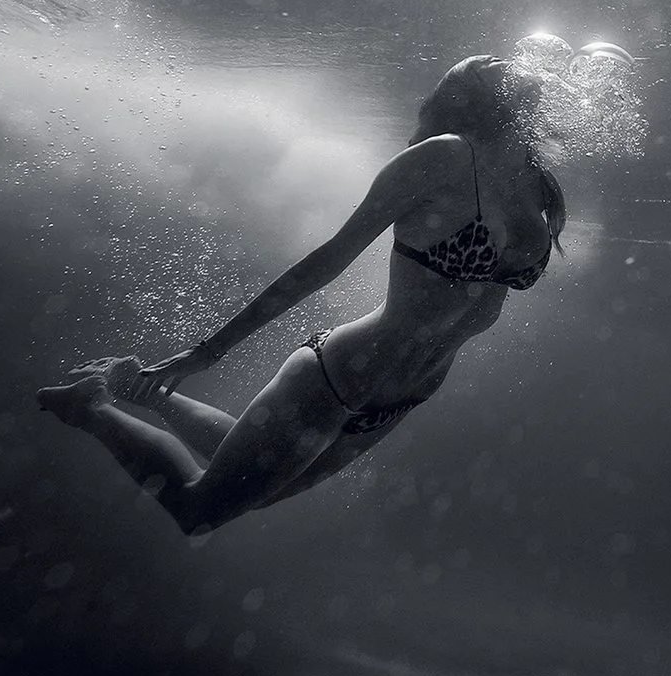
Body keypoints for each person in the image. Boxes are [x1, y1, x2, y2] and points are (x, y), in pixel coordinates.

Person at [37, 54, 564, 535]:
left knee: (247, 483)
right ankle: (90, 406)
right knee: (200, 510)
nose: (504, 60)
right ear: (466, 94)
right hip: (339, 377)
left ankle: (145, 390)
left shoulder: (537, 184)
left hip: (405, 396)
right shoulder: (443, 159)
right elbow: (328, 261)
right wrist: (208, 352)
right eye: (485, 62)